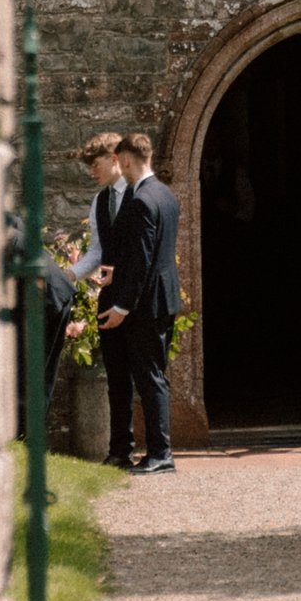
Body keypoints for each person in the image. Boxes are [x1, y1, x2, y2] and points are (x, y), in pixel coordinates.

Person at [97, 129, 181, 474]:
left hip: (146, 304)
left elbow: (142, 259)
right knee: (153, 374)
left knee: (149, 377)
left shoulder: (142, 201)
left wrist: (121, 307)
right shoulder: (166, 195)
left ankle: (161, 453)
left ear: (127, 159)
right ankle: (157, 452)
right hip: (164, 297)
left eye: (119, 160)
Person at [45, 135, 122, 410]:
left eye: (95, 164)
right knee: (117, 378)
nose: (91, 171)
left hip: (141, 297)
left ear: (114, 158)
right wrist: (70, 275)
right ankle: (119, 451)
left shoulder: (143, 194)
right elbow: (97, 252)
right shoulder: (100, 201)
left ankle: (160, 450)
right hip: (111, 297)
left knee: (149, 378)